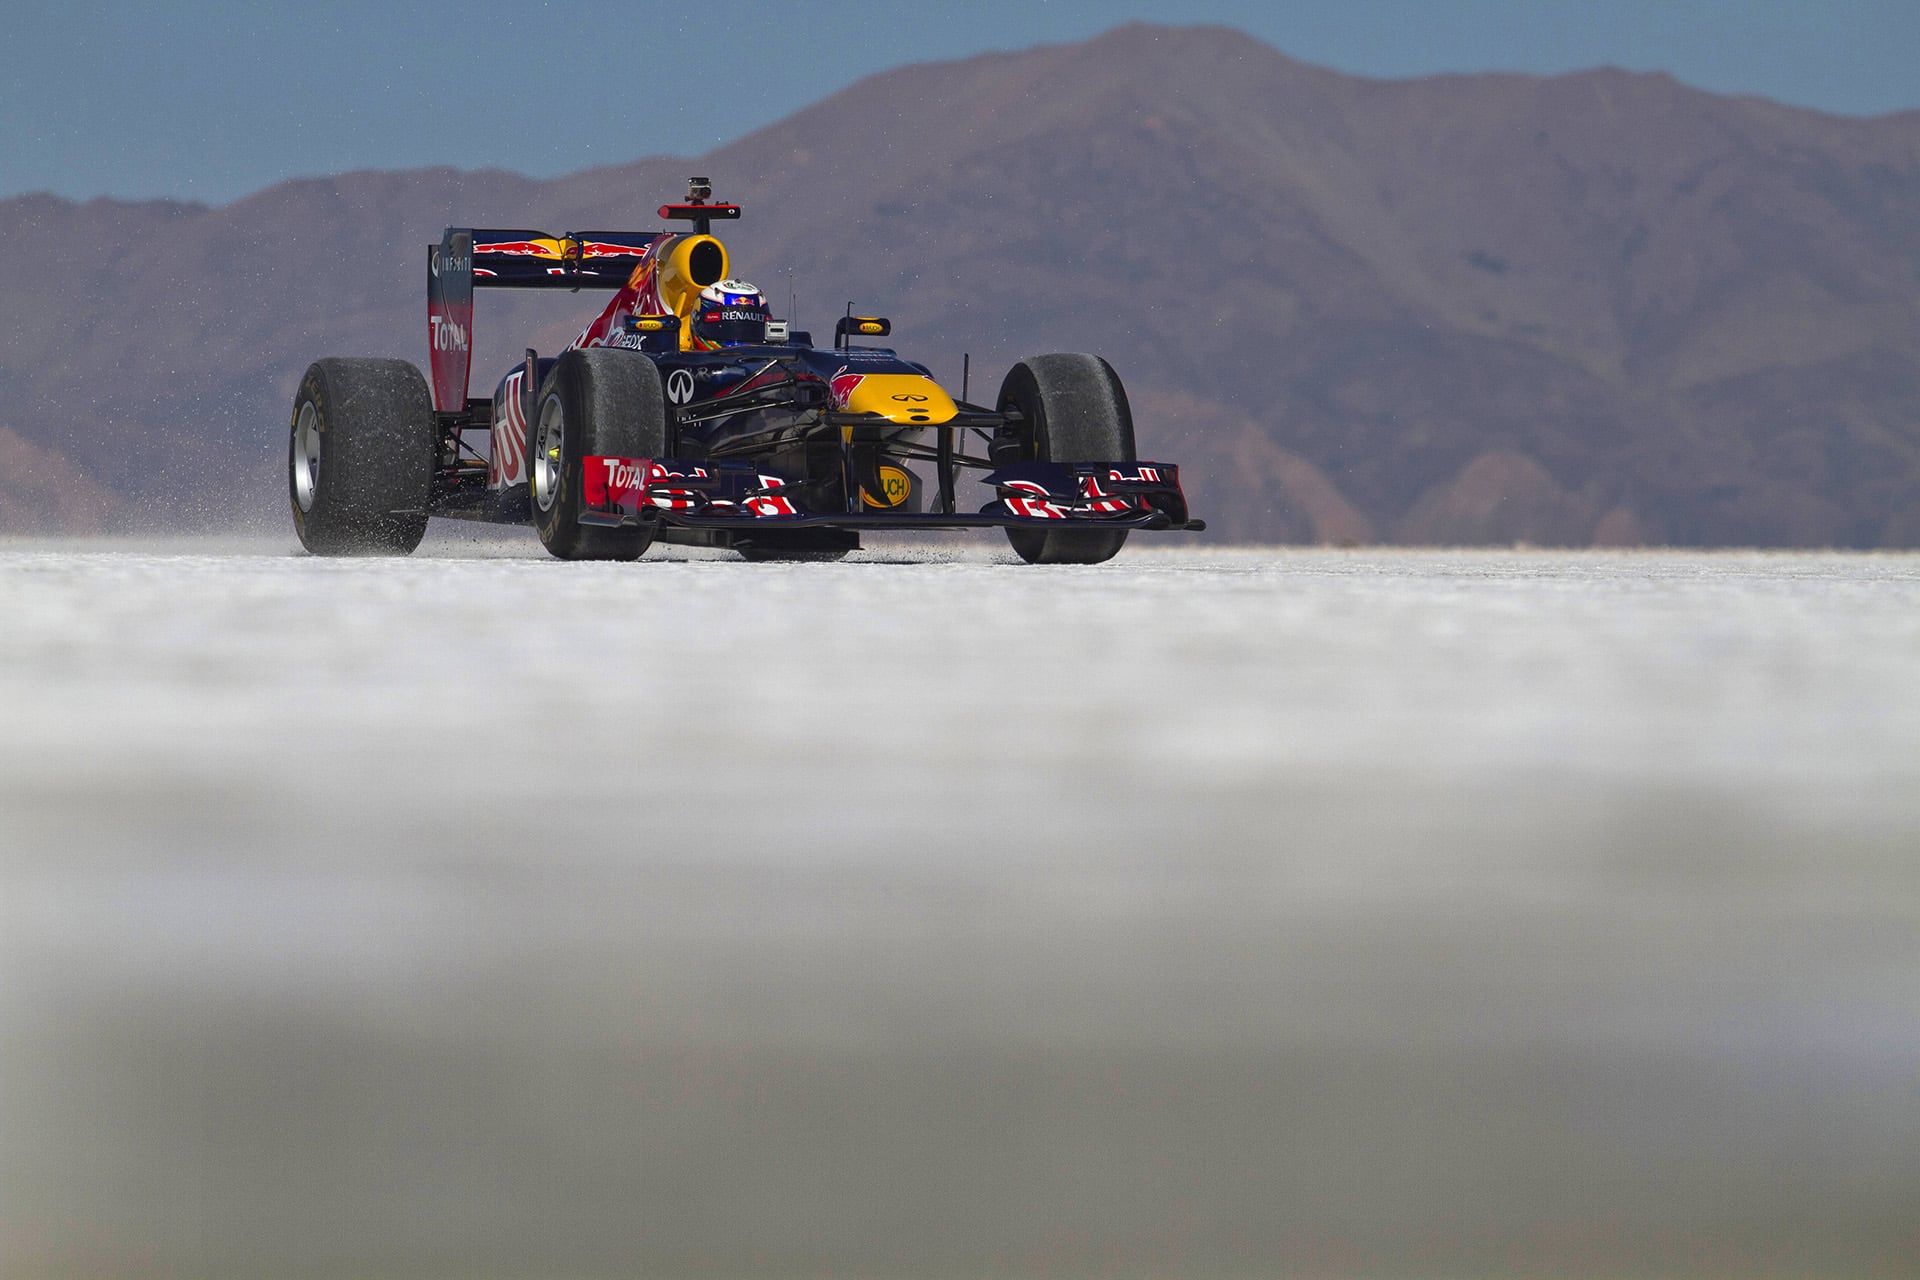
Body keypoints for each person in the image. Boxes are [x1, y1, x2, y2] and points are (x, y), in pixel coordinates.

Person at [689, 279, 771, 349]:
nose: (739, 348)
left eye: (751, 331)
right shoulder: (682, 365)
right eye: (723, 331)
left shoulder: (775, 364)